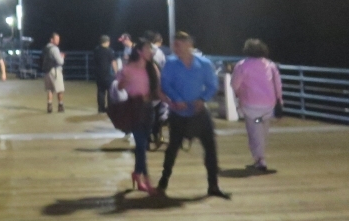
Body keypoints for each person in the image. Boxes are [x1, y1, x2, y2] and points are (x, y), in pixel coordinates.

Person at [158, 31, 229, 199]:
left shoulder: (204, 63)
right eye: (174, 45)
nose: (175, 48)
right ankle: (163, 181)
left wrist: (203, 99)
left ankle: (213, 185)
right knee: (172, 148)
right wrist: (177, 99)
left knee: (210, 147)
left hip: (199, 113)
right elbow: (165, 84)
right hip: (178, 113)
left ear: (189, 44)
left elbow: (212, 85)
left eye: (178, 44)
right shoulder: (171, 63)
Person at [231, 38, 283, 171]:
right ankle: (259, 157)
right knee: (263, 130)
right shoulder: (270, 65)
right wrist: (280, 102)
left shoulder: (242, 65)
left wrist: (239, 95)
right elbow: (278, 85)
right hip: (268, 106)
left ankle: (260, 159)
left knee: (255, 131)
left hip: (251, 107)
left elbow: (235, 84)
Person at [116, 40, 161, 193]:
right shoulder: (128, 68)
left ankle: (136, 173)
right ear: (140, 51)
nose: (151, 51)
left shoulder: (152, 68)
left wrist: (170, 101)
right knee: (141, 145)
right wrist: (125, 81)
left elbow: (158, 90)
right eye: (148, 49)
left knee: (142, 145)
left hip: (149, 109)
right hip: (134, 109)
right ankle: (146, 180)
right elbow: (119, 86)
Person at [42, 33, 65, 113]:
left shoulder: (46, 48)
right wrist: (62, 57)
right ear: (51, 40)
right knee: (60, 89)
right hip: (55, 71)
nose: (58, 41)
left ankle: (49, 105)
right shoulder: (55, 49)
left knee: (50, 89)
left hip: (47, 71)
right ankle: (60, 106)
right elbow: (60, 62)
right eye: (56, 39)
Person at [93, 35, 115, 114]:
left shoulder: (96, 50)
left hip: (98, 74)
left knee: (100, 91)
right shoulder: (109, 51)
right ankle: (110, 108)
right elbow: (113, 62)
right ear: (107, 42)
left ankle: (101, 108)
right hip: (108, 74)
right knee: (110, 91)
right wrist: (116, 72)